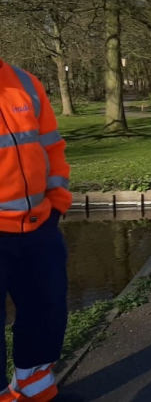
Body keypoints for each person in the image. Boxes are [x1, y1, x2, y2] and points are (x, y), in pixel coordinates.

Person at [0, 59, 71, 402]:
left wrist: (57, 201)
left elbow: (51, 146)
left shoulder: (25, 82)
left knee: (47, 310)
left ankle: (36, 390)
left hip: (39, 225)